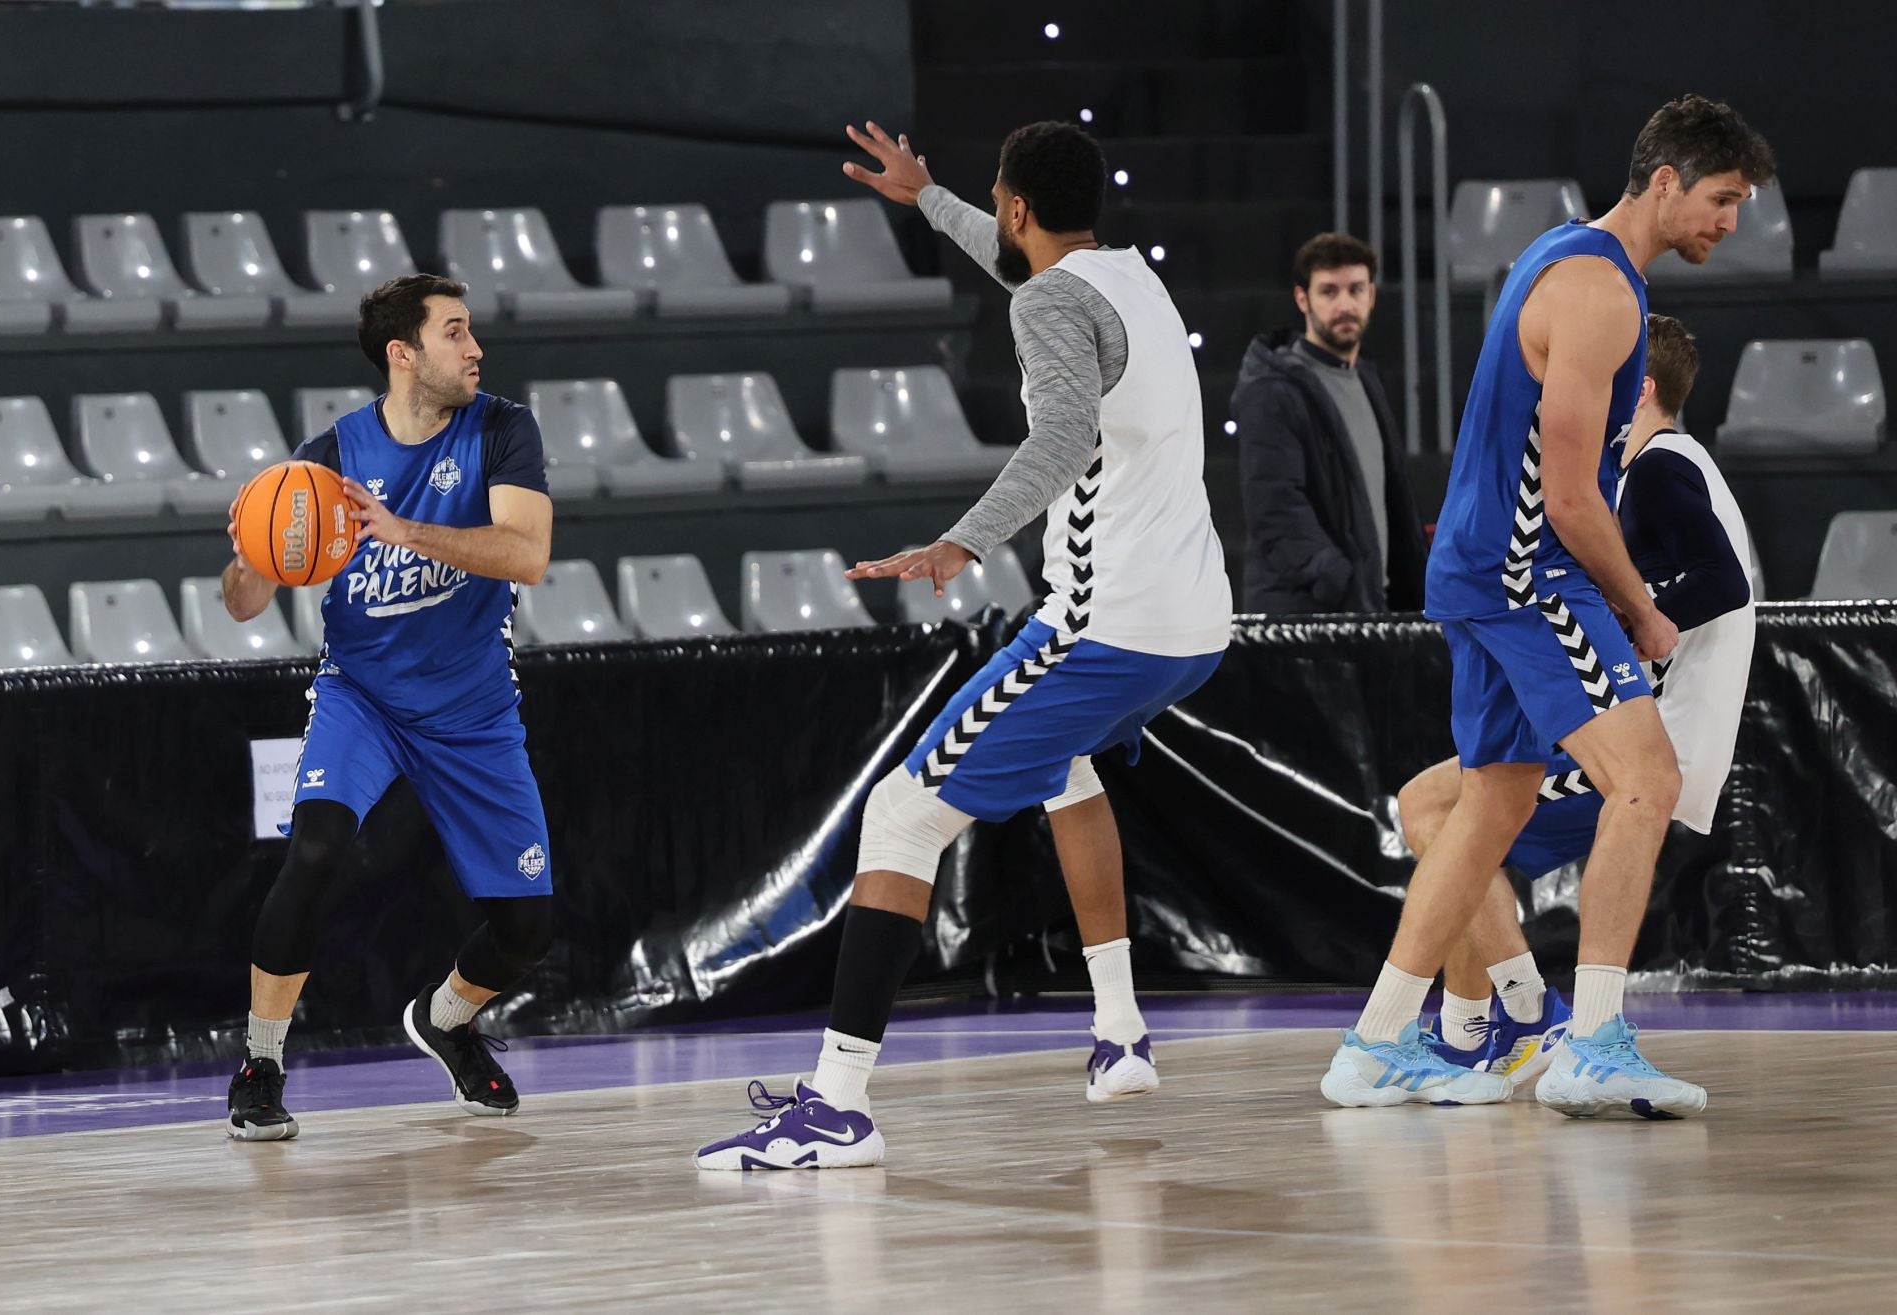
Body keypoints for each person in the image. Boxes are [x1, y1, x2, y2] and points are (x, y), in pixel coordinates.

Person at [694, 119, 1232, 1170]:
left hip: (1101, 628)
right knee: (1064, 767)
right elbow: (1025, 265)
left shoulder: (1048, 302)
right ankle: (1119, 1031)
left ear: (1019, 208)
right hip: (1197, 626)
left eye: (998, 206)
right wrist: (930, 197)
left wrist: (960, 541)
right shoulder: (1133, 283)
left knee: (901, 813)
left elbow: (1063, 433)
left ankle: (836, 1101)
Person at [1320, 94, 1775, 1116]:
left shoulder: (1557, 252)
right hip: (1530, 577)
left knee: (1491, 803)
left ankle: (1376, 1042)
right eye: (1721, 199)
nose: (1731, 222)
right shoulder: (1604, 298)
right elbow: (1570, 497)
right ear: (1665, 181)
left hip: (1485, 570)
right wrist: (1641, 610)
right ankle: (1593, 1044)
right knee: (1645, 777)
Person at [221, 273, 556, 1140]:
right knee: (319, 843)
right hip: (362, 695)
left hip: (473, 707)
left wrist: (404, 530)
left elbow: (525, 554)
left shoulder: (504, 430)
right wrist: (254, 554)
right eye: (455, 332)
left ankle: (444, 1018)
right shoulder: (328, 456)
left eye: (472, 330)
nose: (475, 347)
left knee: (525, 927)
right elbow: (243, 603)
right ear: (403, 354)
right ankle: (261, 1060)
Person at [1399, 314, 1755, 1091]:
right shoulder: (1671, 467)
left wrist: (1633, 616)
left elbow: (1724, 582)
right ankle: (1484, 1029)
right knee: (1450, 807)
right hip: (1656, 735)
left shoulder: (1659, 467)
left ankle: (1520, 1019)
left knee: (1441, 812)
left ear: (1643, 388)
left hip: (1659, 746)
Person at [1231, 233, 1427, 613]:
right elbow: (1276, 509)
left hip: (1368, 611)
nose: (1345, 305)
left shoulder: (1367, 377)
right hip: (1307, 619)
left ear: (1371, 295)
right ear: (1302, 299)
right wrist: (1341, 582)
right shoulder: (1272, 389)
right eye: (1329, 292)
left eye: (1355, 290)